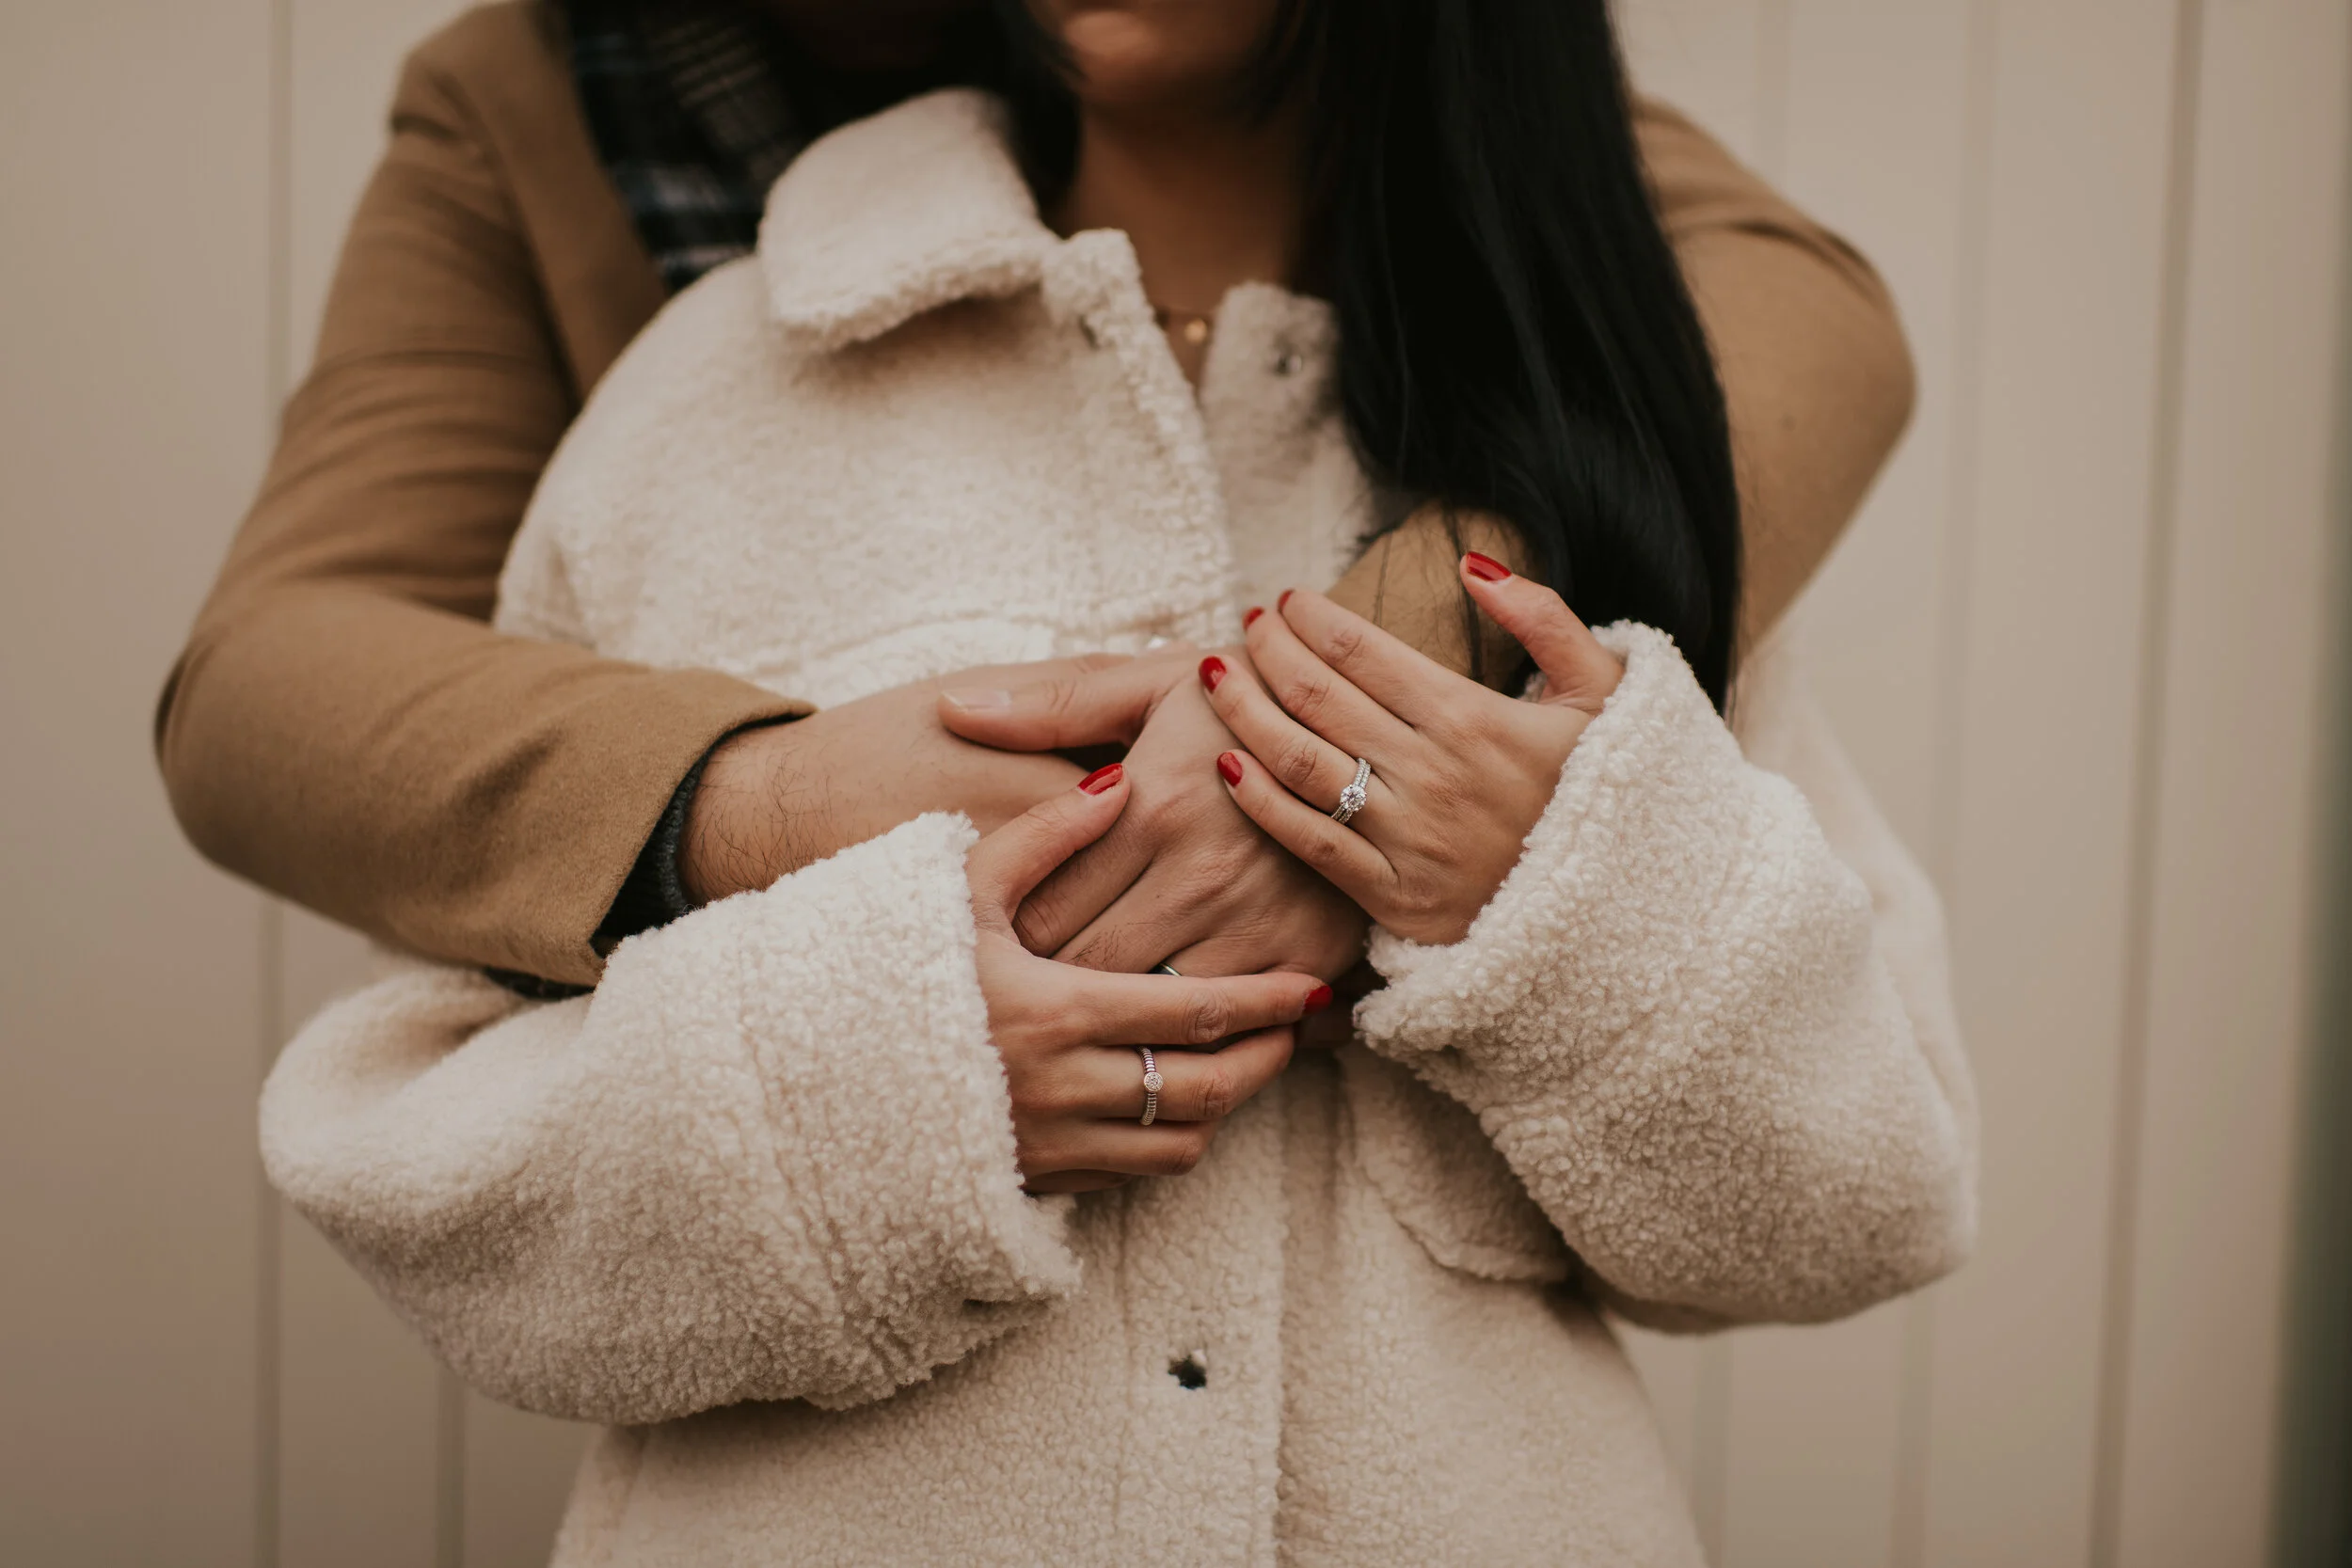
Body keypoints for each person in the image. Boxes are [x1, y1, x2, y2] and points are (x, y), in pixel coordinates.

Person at [255, 1, 1978, 1562]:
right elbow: (423, 1177)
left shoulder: (1595, 493)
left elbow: (1864, 1205)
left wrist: (1555, 895)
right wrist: (886, 1089)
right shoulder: (705, 404)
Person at [154, 0, 1917, 995]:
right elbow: (269, 688)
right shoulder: (558, 100)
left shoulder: (1282, 60)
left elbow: (1785, 319)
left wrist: (1325, 742)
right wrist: (773, 804)